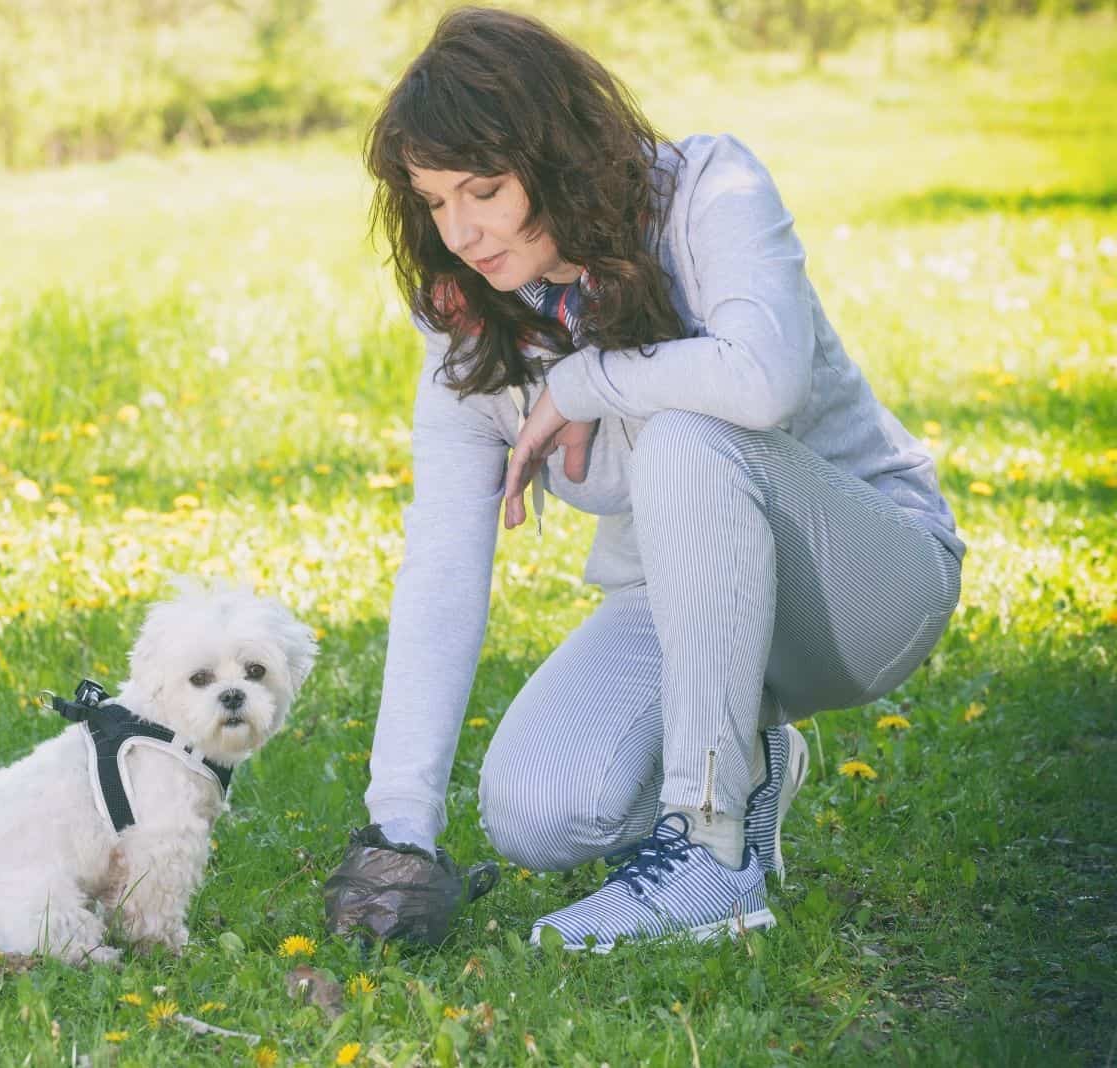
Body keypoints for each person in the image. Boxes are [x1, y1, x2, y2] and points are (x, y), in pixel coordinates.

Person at [331, 7, 964, 952]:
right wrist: (400, 826)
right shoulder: (472, 316)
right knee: (536, 814)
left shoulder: (710, 188)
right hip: (674, 599)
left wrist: (587, 378)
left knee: (682, 436)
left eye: (486, 190)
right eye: (432, 200)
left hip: (863, 582)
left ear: (556, 154)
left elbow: (764, 375)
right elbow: (442, 563)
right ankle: (747, 762)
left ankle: (711, 848)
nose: (460, 231)